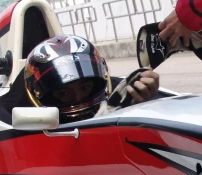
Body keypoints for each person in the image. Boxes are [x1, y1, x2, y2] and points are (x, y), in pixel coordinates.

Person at [23, 34, 159, 122]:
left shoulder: (125, 92)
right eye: (64, 93)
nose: (78, 99)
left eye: (85, 87)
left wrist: (141, 105)